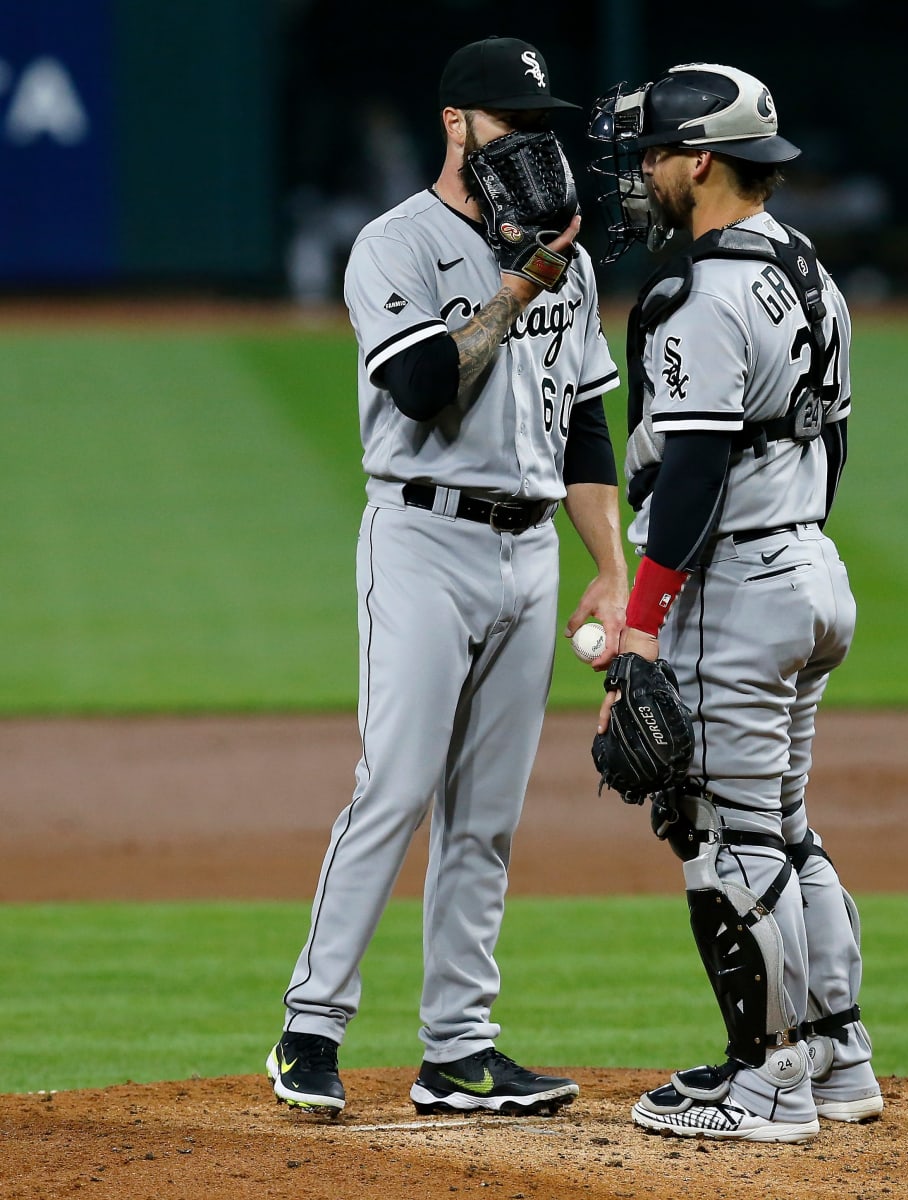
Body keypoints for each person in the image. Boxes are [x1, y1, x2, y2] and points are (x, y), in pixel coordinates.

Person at [266, 35, 627, 1117]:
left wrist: (611, 567)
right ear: (455, 125)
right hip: (422, 542)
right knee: (398, 784)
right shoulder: (395, 246)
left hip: (529, 551)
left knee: (488, 814)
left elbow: (586, 422)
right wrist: (521, 281)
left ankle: (460, 1050)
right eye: (508, 123)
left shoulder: (566, 254)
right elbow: (423, 385)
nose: (529, 145)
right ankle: (310, 1030)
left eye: (540, 126)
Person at [587, 63, 883, 1142]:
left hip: (739, 590)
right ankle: (839, 1056)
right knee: (786, 828)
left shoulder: (703, 296)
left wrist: (643, 627)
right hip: (811, 570)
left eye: (657, 154)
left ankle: (766, 1081)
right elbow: (833, 442)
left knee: (722, 835)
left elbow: (697, 473)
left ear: (702, 159)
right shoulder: (808, 271)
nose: (646, 172)